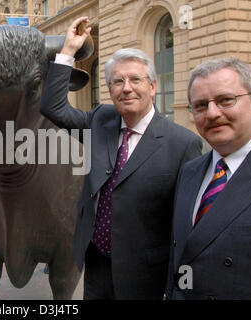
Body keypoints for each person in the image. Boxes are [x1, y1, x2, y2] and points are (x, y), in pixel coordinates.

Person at [40, 17, 202, 299]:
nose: (126, 88)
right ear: (111, 90)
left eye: (135, 80)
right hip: (97, 263)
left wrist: (178, 285)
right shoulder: (100, 120)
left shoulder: (183, 144)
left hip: (146, 275)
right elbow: (53, 107)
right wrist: (68, 50)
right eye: (118, 81)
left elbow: (185, 225)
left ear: (152, 86)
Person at [166, 58, 251, 299]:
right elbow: (180, 253)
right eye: (200, 106)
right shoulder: (190, 171)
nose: (212, 113)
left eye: (226, 100)